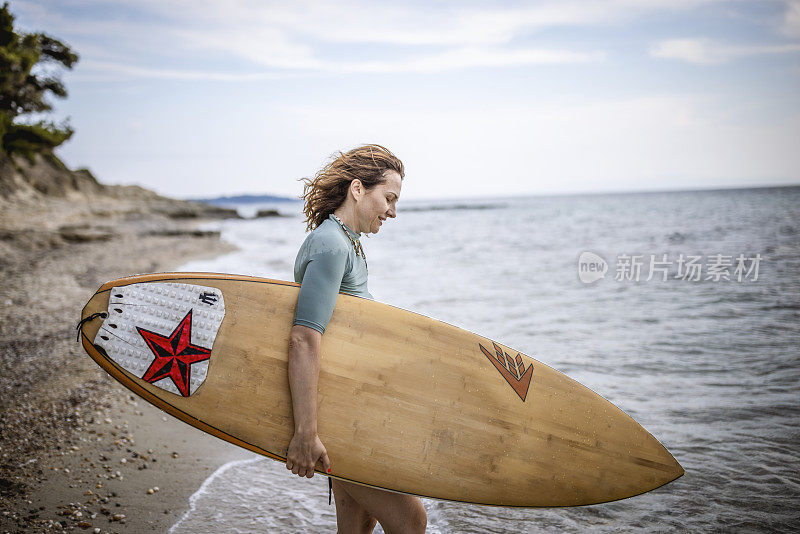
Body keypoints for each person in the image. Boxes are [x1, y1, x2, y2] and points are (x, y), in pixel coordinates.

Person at [286, 144, 427, 533]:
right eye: (389, 198)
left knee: (357, 524)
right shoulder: (332, 244)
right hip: (337, 416)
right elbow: (304, 338)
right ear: (358, 189)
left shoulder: (345, 241)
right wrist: (306, 433)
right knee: (411, 519)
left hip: (348, 408)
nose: (393, 212)